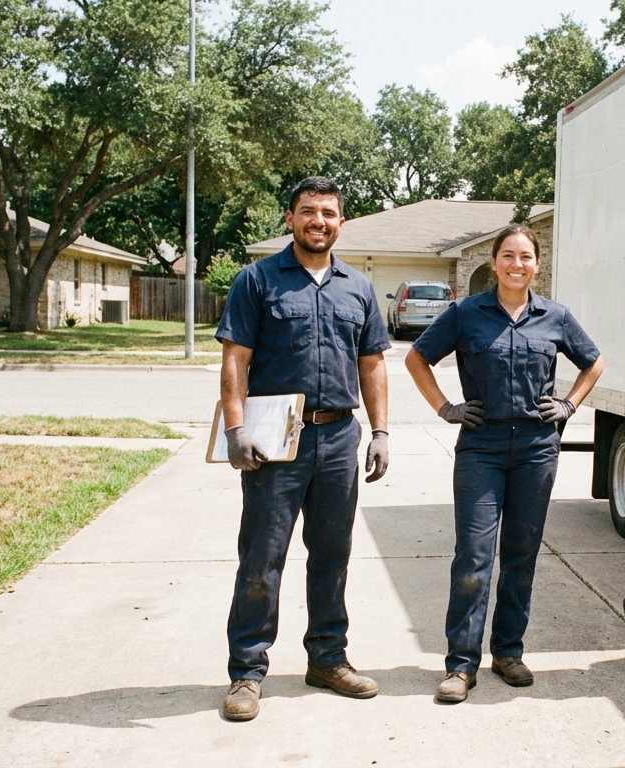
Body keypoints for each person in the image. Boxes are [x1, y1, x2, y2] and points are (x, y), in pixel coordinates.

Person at [215, 176, 392, 721]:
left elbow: (372, 364)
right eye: (308, 211)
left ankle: (328, 659)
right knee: (262, 556)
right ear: (290, 218)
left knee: (332, 553)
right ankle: (247, 672)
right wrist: (235, 429)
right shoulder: (257, 280)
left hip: (338, 437)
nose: (319, 221)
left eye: (328, 213)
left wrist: (381, 432)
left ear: (341, 222)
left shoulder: (358, 288)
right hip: (275, 439)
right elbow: (235, 359)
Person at [405, 224, 604, 703]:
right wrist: (446, 408)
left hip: (537, 449)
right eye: (508, 256)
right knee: (473, 557)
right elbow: (416, 359)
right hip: (482, 447)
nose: (517, 264)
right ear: (494, 263)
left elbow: (593, 362)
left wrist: (570, 405)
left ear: (538, 264)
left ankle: (509, 652)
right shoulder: (465, 313)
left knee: (521, 554)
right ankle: (460, 665)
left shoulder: (555, 317)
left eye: (526, 257)